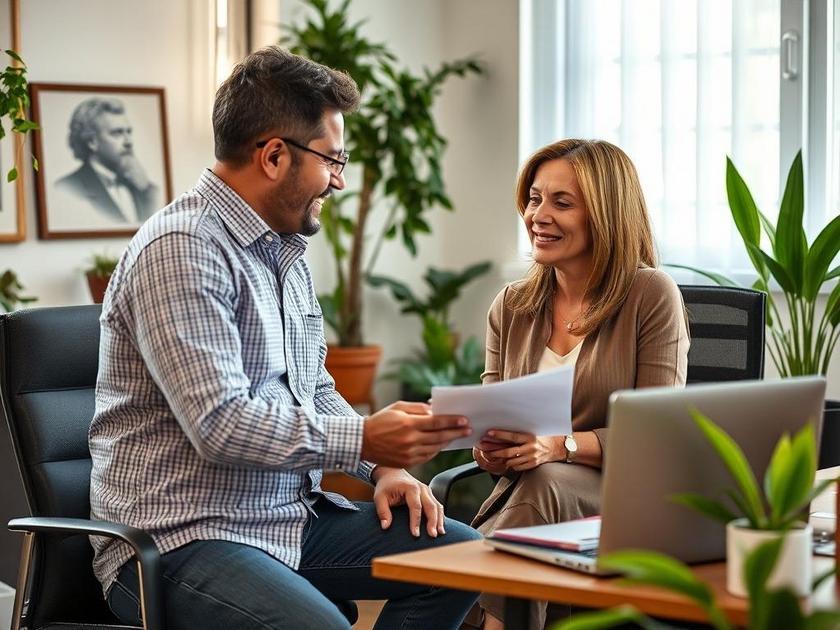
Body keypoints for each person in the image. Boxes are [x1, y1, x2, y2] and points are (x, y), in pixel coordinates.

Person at [88, 46, 481, 630]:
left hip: (285, 520)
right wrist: (365, 436)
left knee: (464, 558)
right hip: (176, 539)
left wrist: (384, 467)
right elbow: (220, 424)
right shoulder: (182, 248)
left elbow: (312, 386)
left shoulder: (284, 249)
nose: (339, 179)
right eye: (332, 160)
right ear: (274, 156)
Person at [468, 139, 690, 630]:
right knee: (540, 485)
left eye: (561, 202)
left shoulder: (651, 295)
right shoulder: (511, 306)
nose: (538, 216)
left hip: (627, 497)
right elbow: (493, 418)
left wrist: (558, 446)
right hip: (529, 496)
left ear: (605, 214)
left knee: (545, 482)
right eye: (534, 199)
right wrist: (492, 448)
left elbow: (655, 439)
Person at [55, 97, 159, 225]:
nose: (129, 142)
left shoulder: (147, 189)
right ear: (92, 142)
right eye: (117, 133)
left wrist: (146, 191)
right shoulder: (68, 188)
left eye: (129, 132)